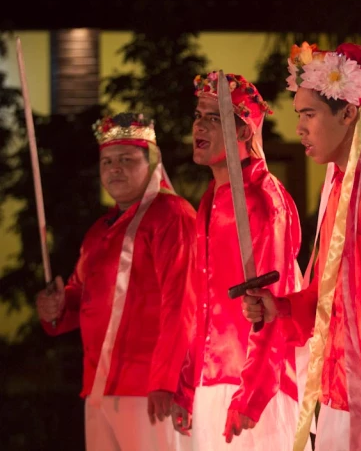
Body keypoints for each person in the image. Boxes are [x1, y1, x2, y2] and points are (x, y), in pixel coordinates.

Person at [242, 42, 361, 451]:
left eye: (309, 114)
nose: (299, 128)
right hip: (339, 386)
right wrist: (281, 308)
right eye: (298, 114)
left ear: (348, 112)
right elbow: (329, 296)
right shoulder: (340, 180)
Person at [36, 112, 196, 451]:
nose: (114, 168)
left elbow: (183, 302)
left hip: (150, 389)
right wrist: (54, 308)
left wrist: (167, 382)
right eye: (107, 161)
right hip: (99, 386)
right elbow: (78, 299)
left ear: (152, 163)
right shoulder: (99, 230)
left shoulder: (172, 215)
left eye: (126, 159)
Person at [170, 72, 303, 450]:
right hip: (210, 384)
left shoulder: (265, 199)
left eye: (214, 117)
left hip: (257, 389)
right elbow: (203, 307)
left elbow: (276, 305)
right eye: (199, 115)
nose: (199, 124)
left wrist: (253, 395)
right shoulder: (210, 199)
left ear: (245, 132)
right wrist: (186, 385)